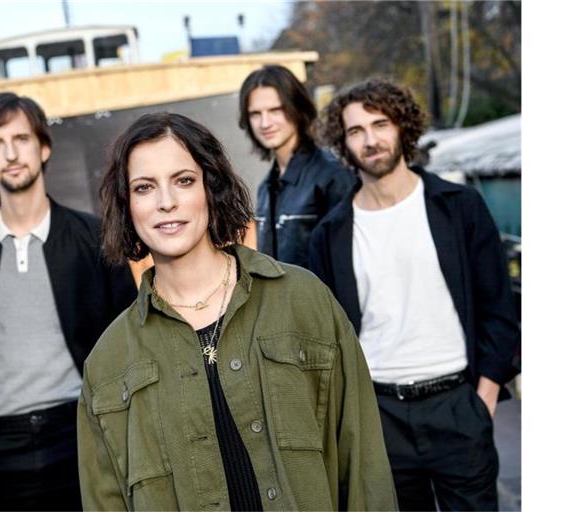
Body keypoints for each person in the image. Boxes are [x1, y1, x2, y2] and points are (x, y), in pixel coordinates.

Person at [77, 112, 396, 511]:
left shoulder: (303, 300)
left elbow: (365, 468)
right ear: (127, 206)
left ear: (211, 188)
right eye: (144, 187)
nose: (166, 202)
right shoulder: (107, 366)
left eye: (184, 180)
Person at [309, 78, 520, 511]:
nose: (370, 140)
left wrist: (485, 396)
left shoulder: (459, 207)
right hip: (379, 415)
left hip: (457, 406)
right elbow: (324, 338)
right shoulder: (330, 235)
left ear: (403, 126)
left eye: (380, 123)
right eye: (355, 131)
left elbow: (499, 307)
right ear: (343, 144)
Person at [0, 92, 137, 511]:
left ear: (43, 148)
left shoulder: (93, 238)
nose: (11, 153)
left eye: (21, 139)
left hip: (80, 433)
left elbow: (131, 338)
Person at [238, 64, 356, 269]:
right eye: (255, 114)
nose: (265, 123)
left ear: (297, 109)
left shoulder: (333, 176)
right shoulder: (266, 187)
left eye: (276, 110)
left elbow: (348, 267)